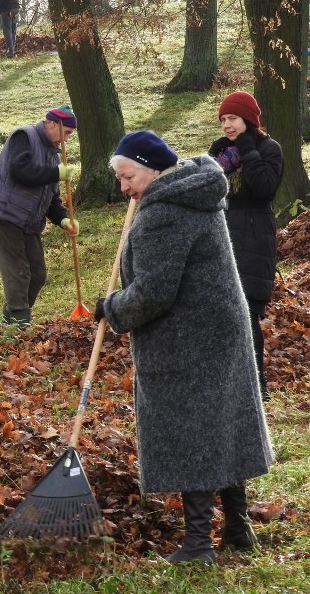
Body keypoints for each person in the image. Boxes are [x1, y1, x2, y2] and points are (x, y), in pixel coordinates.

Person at [95, 130, 274, 564]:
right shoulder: (197, 191)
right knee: (222, 420)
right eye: (119, 179)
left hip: (187, 338)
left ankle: (197, 544)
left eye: (128, 176)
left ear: (153, 169)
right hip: (220, 328)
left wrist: (111, 307)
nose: (124, 188)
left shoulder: (163, 213)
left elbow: (154, 292)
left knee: (191, 428)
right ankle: (237, 526)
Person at [208, 91, 283, 401]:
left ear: (248, 120)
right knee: (220, 310)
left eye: (233, 119)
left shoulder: (269, 148)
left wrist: (248, 150)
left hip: (253, 237)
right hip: (221, 235)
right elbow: (207, 187)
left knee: (248, 312)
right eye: (223, 119)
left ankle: (257, 384)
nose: (227, 125)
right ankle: (225, 382)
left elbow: (265, 188)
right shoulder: (219, 150)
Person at [0, 105, 81, 327]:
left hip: (29, 223)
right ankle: (18, 326)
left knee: (37, 274)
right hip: (5, 216)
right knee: (18, 274)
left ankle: (11, 321)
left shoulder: (54, 157)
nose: (68, 140)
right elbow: (19, 169)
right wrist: (55, 173)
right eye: (68, 133)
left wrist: (63, 219)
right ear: (53, 124)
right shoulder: (24, 136)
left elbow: (52, 198)